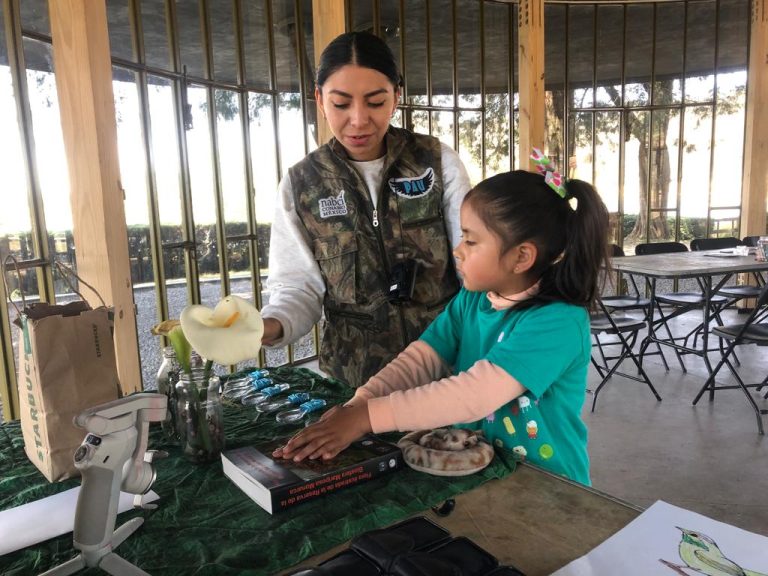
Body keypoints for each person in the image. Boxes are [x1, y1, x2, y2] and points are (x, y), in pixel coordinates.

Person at [274, 161, 611, 485]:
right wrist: (358, 404)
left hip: (546, 486)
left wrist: (366, 419)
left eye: (471, 240)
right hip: (478, 471)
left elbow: (474, 394)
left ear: (521, 256)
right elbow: (422, 359)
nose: (458, 250)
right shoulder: (474, 299)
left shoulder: (558, 322)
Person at [260, 31, 471, 387]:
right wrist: (265, 327)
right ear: (319, 99)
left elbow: (473, 263)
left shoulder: (436, 163)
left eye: (375, 102)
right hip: (354, 388)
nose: (358, 120)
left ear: (396, 97)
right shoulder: (302, 184)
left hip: (446, 375)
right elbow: (299, 286)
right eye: (341, 104)